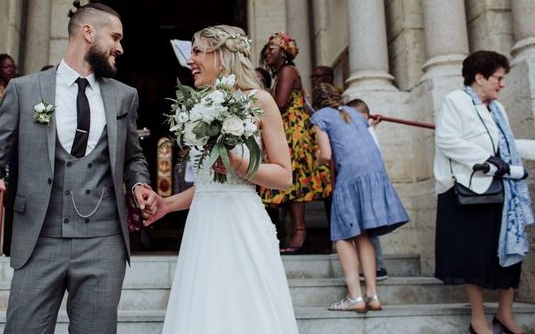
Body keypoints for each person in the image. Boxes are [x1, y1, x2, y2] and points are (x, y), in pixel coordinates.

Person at [0, 1, 160, 334]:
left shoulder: (124, 96)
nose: (120, 47)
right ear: (88, 33)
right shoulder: (24, 90)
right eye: (114, 37)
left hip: (104, 241)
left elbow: (133, 158)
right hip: (38, 238)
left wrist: (139, 185)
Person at [144, 25, 299, 334]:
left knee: (245, 312)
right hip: (204, 224)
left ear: (222, 56)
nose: (191, 60)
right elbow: (206, 184)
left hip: (242, 223)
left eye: (198, 51)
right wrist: (166, 204)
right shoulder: (197, 107)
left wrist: (241, 166)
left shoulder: (260, 101)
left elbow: (284, 176)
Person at [434, 50, 534, 334]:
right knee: (474, 255)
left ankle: (504, 314)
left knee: (509, 253)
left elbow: (509, 145)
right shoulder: (455, 101)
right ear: (479, 77)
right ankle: (478, 319)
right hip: (469, 190)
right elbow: (447, 140)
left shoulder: (497, 108)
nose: (502, 84)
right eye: (498, 78)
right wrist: (489, 161)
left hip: (502, 189)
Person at [311, 83, 409, 312]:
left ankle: (354, 297)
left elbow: (325, 154)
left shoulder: (319, 116)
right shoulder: (354, 113)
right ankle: (372, 295)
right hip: (375, 174)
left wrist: (317, 160)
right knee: (364, 234)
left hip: (350, 177)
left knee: (343, 236)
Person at [259, 32, 332, 254]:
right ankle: (296, 232)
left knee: (296, 183)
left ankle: (300, 232)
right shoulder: (280, 73)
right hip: (286, 129)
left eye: (271, 49)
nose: (267, 53)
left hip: (294, 131)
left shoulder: (288, 71)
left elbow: (280, 103)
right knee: (291, 187)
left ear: (284, 52)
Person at [345, 98, 387, 281]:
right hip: (369, 188)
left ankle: (378, 267)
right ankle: (372, 266)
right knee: (365, 229)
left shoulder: (366, 132)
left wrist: (370, 126)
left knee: (369, 230)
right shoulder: (368, 131)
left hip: (370, 189)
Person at [0, 53, 20, 256]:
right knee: (8, 200)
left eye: (13, 67)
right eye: (7, 67)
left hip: (15, 152)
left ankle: (10, 246)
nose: (12, 70)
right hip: (4, 154)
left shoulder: (15, 88)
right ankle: (6, 246)